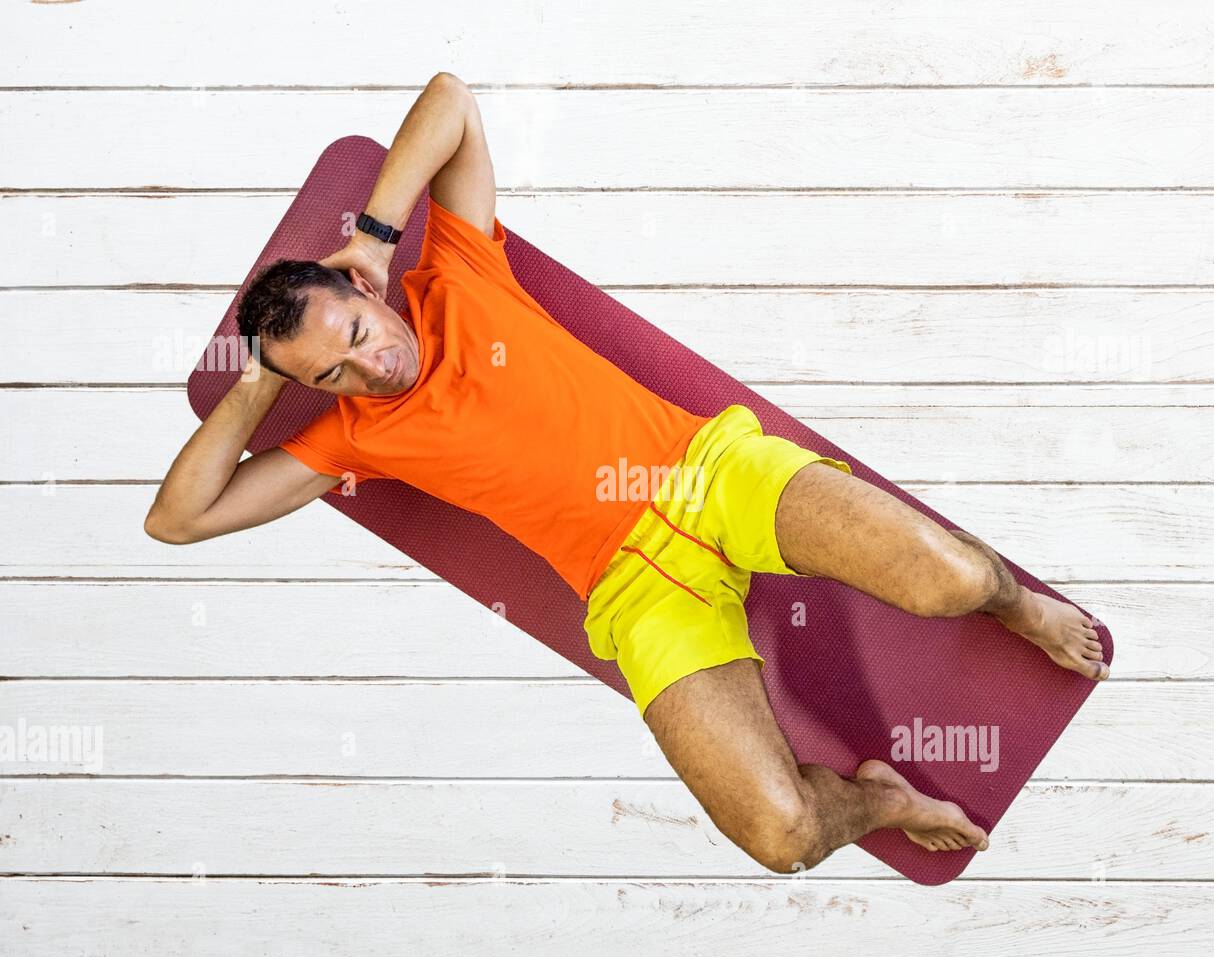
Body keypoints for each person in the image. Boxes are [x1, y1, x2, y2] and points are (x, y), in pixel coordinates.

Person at [146, 73, 1108, 874]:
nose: (369, 367)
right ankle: (875, 797)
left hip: (707, 474)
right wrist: (261, 383)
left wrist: (374, 231)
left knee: (954, 581)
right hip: (636, 593)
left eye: (355, 335)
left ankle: (1016, 605)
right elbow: (179, 520)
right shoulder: (349, 439)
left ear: (364, 291)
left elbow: (452, 99)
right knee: (781, 838)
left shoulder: (458, 269)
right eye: (333, 373)